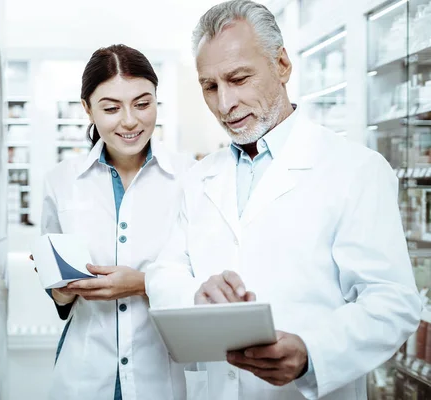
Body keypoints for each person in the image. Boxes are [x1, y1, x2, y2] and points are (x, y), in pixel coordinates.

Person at [145, 1, 422, 399]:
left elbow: (392, 301)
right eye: (210, 86)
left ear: (282, 65)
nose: (224, 104)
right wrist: (195, 293)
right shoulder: (200, 177)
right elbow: (163, 271)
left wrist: (312, 352)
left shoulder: (355, 169)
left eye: (239, 79)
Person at [39, 44, 194, 400]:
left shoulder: (190, 177)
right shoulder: (61, 182)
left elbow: (202, 281)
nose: (129, 120)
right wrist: (60, 291)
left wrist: (142, 284)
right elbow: (60, 298)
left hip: (161, 378)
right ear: (88, 110)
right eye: (111, 108)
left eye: (143, 104)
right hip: (82, 378)